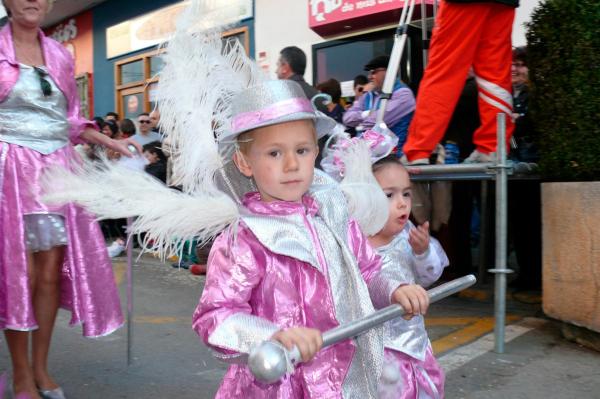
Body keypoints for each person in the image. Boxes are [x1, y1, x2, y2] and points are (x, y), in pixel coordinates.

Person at [193, 80, 430, 397]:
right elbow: (215, 316)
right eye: (275, 153)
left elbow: (368, 271)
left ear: (316, 152)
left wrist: (395, 289)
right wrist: (272, 336)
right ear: (244, 162)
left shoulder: (333, 214)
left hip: (343, 377)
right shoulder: (244, 240)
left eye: (301, 150)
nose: (292, 165)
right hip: (277, 387)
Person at [0, 1, 138, 398]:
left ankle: (42, 368)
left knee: (47, 277)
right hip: (10, 171)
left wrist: (106, 138)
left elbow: (70, 119)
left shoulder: (60, 54)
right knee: (18, 277)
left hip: (56, 173)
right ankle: (21, 372)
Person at [368, 155, 449, 398]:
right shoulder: (354, 246)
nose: (402, 204)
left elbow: (429, 276)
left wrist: (423, 253)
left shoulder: (407, 236)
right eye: (389, 195)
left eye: (406, 193)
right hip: (378, 354)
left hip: (415, 345)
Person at [402, 0, 519, 164]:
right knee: (495, 76)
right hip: (504, 3)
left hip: (462, 3)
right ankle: (493, 147)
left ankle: (419, 149)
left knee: (444, 72)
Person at [343, 55, 416, 157]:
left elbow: (378, 121)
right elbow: (347, 118)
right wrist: (366, 114)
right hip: (369, 158)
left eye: (374, 72)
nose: (369, 77)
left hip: (393, 159)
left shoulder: (404, 94)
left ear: (389, 72)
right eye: (369, 73)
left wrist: (360, 123)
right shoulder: (369, 95)